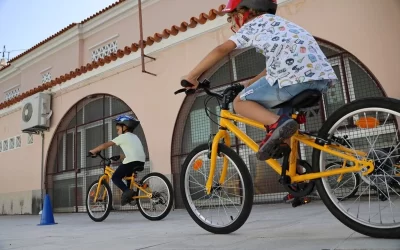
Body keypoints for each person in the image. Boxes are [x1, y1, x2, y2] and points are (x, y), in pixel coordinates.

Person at [182, 0, 338, 202]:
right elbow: (272, 69)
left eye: (232, 18)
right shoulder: (280, 25)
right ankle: (296, 176)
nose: (232, 23)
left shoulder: (255, 23)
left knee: (240, 103)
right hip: (317, 79)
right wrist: (251, 83)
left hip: (291, 78)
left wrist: (192, 77)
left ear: (245, 13)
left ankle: (277, 127)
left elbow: (222, 49)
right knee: (285, 122)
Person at [89, 115, 146, 206]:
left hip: (131, 162)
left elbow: (106, 144)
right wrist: (121, 156)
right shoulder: (135, 137)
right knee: (128, 176)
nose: (117, 132)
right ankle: (129, 197)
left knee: (115, 177)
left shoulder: (123, 137)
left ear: (125, 127)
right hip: (141, 161)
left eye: (118, 129)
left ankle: (127, 192)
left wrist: (94, 151)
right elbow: (134, 151)